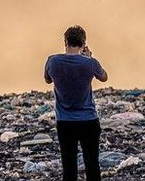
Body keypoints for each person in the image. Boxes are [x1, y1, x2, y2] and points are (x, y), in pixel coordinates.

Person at [43, 25, 109, 181]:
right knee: (92, 165)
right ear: (83, 42)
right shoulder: (90, 63)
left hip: (65, 121)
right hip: (89, 120)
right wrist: (89, 57)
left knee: (69, 167)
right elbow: (104, 76)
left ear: (65, 41)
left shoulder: (53, 61)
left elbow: (47, 79)